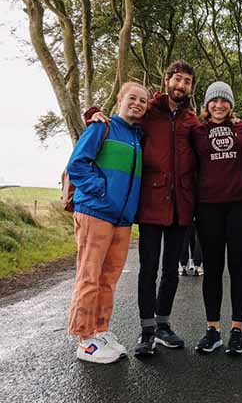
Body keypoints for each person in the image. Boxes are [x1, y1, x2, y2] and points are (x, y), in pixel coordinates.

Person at [86, 61, 199, 357]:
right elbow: (123, 119)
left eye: (187, 81)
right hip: (150, 205)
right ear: (166, 80)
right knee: (148, 269)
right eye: (177, 79)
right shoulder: (149, 112)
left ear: (191, 88)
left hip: (181, 208)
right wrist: (93, 113)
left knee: (171, 271)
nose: (181, 85)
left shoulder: (192, 120)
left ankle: (163, 325)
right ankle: (146, 330)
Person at [67, 81, 148, 364]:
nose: (137, 103)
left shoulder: (137, 137)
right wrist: (100, 190)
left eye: (143, 100)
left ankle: (100, 330)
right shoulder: (101, 127)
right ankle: (84, 339)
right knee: (89, 276)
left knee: (109, 279)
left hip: (122, 220)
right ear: (120, 100)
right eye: (132, 98)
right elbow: (76, 164)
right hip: (96, 213)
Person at [192, 81, 242, 355]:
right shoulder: (196, 132)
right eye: (214, 101)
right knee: (213, 270)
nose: (219, 106)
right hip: (208, 209)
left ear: (231, 104)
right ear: (207, 105)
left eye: (224, 101)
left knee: (239, 268)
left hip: (240, 207)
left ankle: (237, 330)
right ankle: (213, 329)